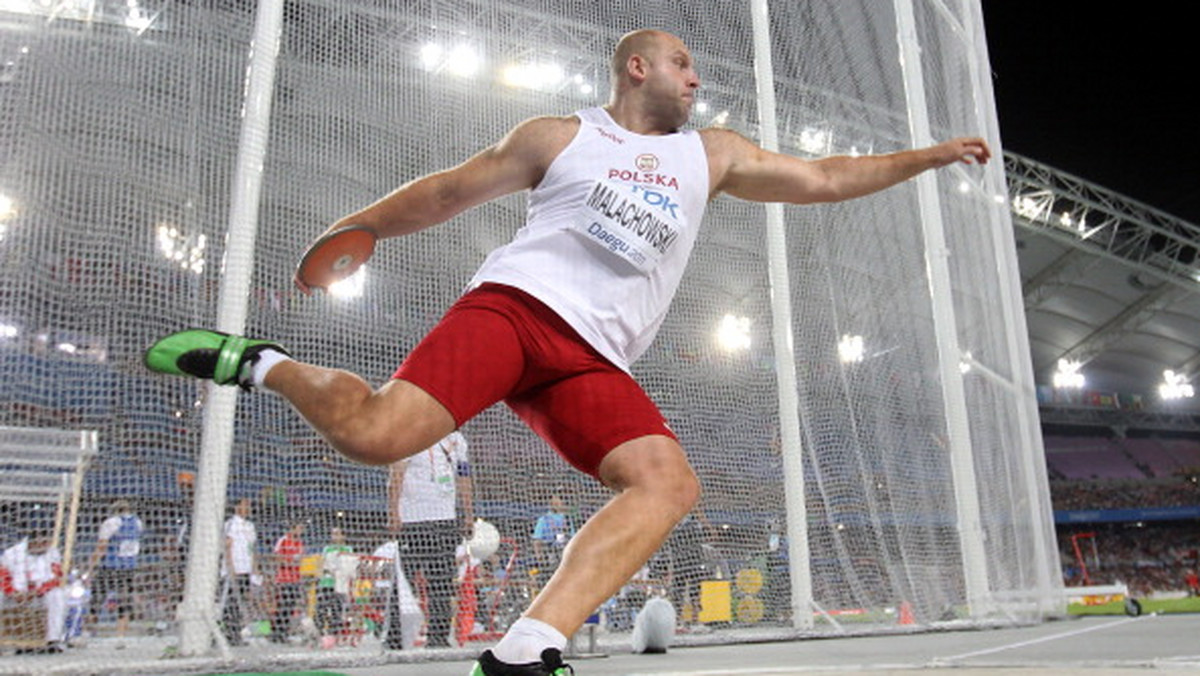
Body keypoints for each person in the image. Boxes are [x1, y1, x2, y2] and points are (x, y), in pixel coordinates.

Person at [143, 28, 991, 676]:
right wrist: (355, 227)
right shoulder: (560, 136)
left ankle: (526, 648)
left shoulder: (714, 153)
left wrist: (931, 155)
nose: (697, 79)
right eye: (683, 64)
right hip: (514, 312)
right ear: (638, 68)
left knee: (668, 483)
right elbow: (448, 191)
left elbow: (826, 178)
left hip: (595, 359)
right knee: (372, 437)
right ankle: (263, 363)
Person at [386, 430, 473, 649]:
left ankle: (438, 637)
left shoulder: (457, 440)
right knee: (404, 581)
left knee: (442, 583)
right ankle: (395, 636)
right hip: (413, 520)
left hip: (445, 519)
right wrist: (394, 513)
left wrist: (469, 514)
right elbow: (396, 474)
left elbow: (463, 476)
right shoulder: (410, 433)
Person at [86, 499, 142, 645]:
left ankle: (89, 632)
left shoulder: (111, 523)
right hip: (129, 568)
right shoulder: (138, 523)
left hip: (110, 566)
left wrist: (91, 567)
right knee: (124, 601)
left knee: (97, 599)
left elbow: (101, 546)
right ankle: (120, 636)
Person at [1, 529, 67, 652]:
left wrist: (37, 592)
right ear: (32, 543)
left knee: (58, 595)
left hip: (39, 596)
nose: (44, 546)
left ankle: (53, 640)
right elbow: (3, 577)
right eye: (41, 543)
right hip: (14, 596)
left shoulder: (53, 553)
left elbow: (56, 578)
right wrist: (12, 592)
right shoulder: (11, 553)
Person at [221, 497, 257, 646]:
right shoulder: (230, 524)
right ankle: (227, 634)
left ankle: (236, 634)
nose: (248, 508)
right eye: (245, 505)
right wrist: (230, 568)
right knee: (230, 603)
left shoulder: (250, 526)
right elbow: (227, 547)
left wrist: (255, 568)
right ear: (237, 507)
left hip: (245, 569)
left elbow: (252, 548)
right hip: (233, 571)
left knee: (241, 603)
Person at [269, 519, 306, 644]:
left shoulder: (300, 543)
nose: (301, 531)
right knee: (281, 607)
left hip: (295, 579)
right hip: (284, 579)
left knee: (290, 608)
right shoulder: (283, 540)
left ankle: (284, 633)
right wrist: (289, 563)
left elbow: (301, 560)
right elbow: (277, 558)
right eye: (299, 528)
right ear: (293, 528)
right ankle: (275, 633)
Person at [530, 495, 572, 580]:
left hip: (565, 552)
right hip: (550, 553)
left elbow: (572, 536)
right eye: (554, 501)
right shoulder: (544, 519)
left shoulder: (567, 519)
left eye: (559, 500)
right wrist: (539, 556)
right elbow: (537, 540)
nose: (557, 503)